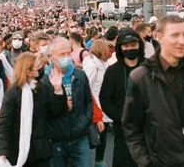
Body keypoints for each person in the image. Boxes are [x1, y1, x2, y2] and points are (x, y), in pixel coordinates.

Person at [122, 15, 184, 167]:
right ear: (158, 36)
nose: (182, 41)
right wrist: (146, 163)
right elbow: (131, 128)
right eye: (175, 35)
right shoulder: (142, 77)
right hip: (162, 162)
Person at [0, 53, 67, 167]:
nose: (40, 67)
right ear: (28, 71)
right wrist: (1, 153)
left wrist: (58, 90)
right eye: (36, 65)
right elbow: (4, 125)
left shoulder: (42, 88)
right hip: (19, 153)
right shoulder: (13, 94)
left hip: (41, 153)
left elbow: (56, 113)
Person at [99, 28, 145, 167]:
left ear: (139, 46)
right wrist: (122, 117)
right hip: (123, 129)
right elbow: (105, 99)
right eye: (126, 46)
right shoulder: (113, 71)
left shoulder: (151, 67)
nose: (130, 49)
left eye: (133, 45)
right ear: (120, 48)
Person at [44, 37, 92, 167]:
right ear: (51, 56)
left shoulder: (80, 75)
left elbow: (88, 102)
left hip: (80, 137)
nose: (66, 57)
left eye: (68, 53)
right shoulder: (44, 81)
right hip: (56, 140)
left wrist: (83, 124)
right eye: (61, 54)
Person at [82, 39, 112, 167]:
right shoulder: (93, 65)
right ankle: (97, 160)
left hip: (101, 103)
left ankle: (99, 160)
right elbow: (87, 85)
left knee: (101, 134)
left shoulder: (101, 64)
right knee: (97, 135)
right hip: (95, 103)